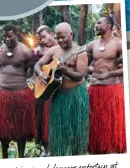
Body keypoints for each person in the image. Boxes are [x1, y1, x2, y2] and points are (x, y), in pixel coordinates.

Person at [34, 22, 89, 156]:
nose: (60, 40)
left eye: (63, 37)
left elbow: (80, 75)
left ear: (70, 35)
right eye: (58, 37)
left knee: (76, 133)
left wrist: (66, 71)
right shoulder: (53, 50)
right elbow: (38, 64)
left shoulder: (80, 51)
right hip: (58, 96)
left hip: (76, 96)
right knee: (59, 134)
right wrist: (40, 74)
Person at [0, 24, 36, 158]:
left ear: (16, 34)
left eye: (10, 36)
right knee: (3, 128)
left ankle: (21, 156)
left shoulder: (26, 51)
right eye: (5, 36)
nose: (7, 39)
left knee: (21, 127)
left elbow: (29, 73)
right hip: (3, 93)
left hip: (20, 94)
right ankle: (5, 156)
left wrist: (32, 64)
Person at [87, 16, 126, 154]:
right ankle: (99, 152)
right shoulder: (92, 45)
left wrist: (109, 74)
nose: (96, 25)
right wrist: (91, 70)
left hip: (112, 88)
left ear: (108, 26)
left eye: (99, 23)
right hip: (95, 88)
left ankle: (114, 152)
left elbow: (126, 67)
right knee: (97, 123)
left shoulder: (118, 44)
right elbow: (84, 65)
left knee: (113, 123)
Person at [31, 25, 58, 157]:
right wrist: (41, 74)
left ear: (52, 33)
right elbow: (36, 66)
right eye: (39, 37)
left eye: (43, 36)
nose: (41, 39)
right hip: (44, 90)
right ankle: (45, 150)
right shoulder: (40, 51)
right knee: (42, 120)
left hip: (61, 92)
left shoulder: (63, 49)